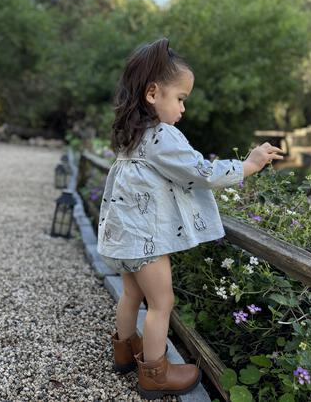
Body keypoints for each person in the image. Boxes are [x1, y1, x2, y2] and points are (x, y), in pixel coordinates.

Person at [96, 37, 284, 400]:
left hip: (126, 237)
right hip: (145, 238)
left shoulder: (130, 136)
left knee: (131, 294)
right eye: (180, 98)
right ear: (153, 94)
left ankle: (123, 353)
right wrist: (248, 164)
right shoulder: (162, 135)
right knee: (162, 304)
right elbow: (200, 171)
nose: (182, 109)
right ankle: (155, 373)